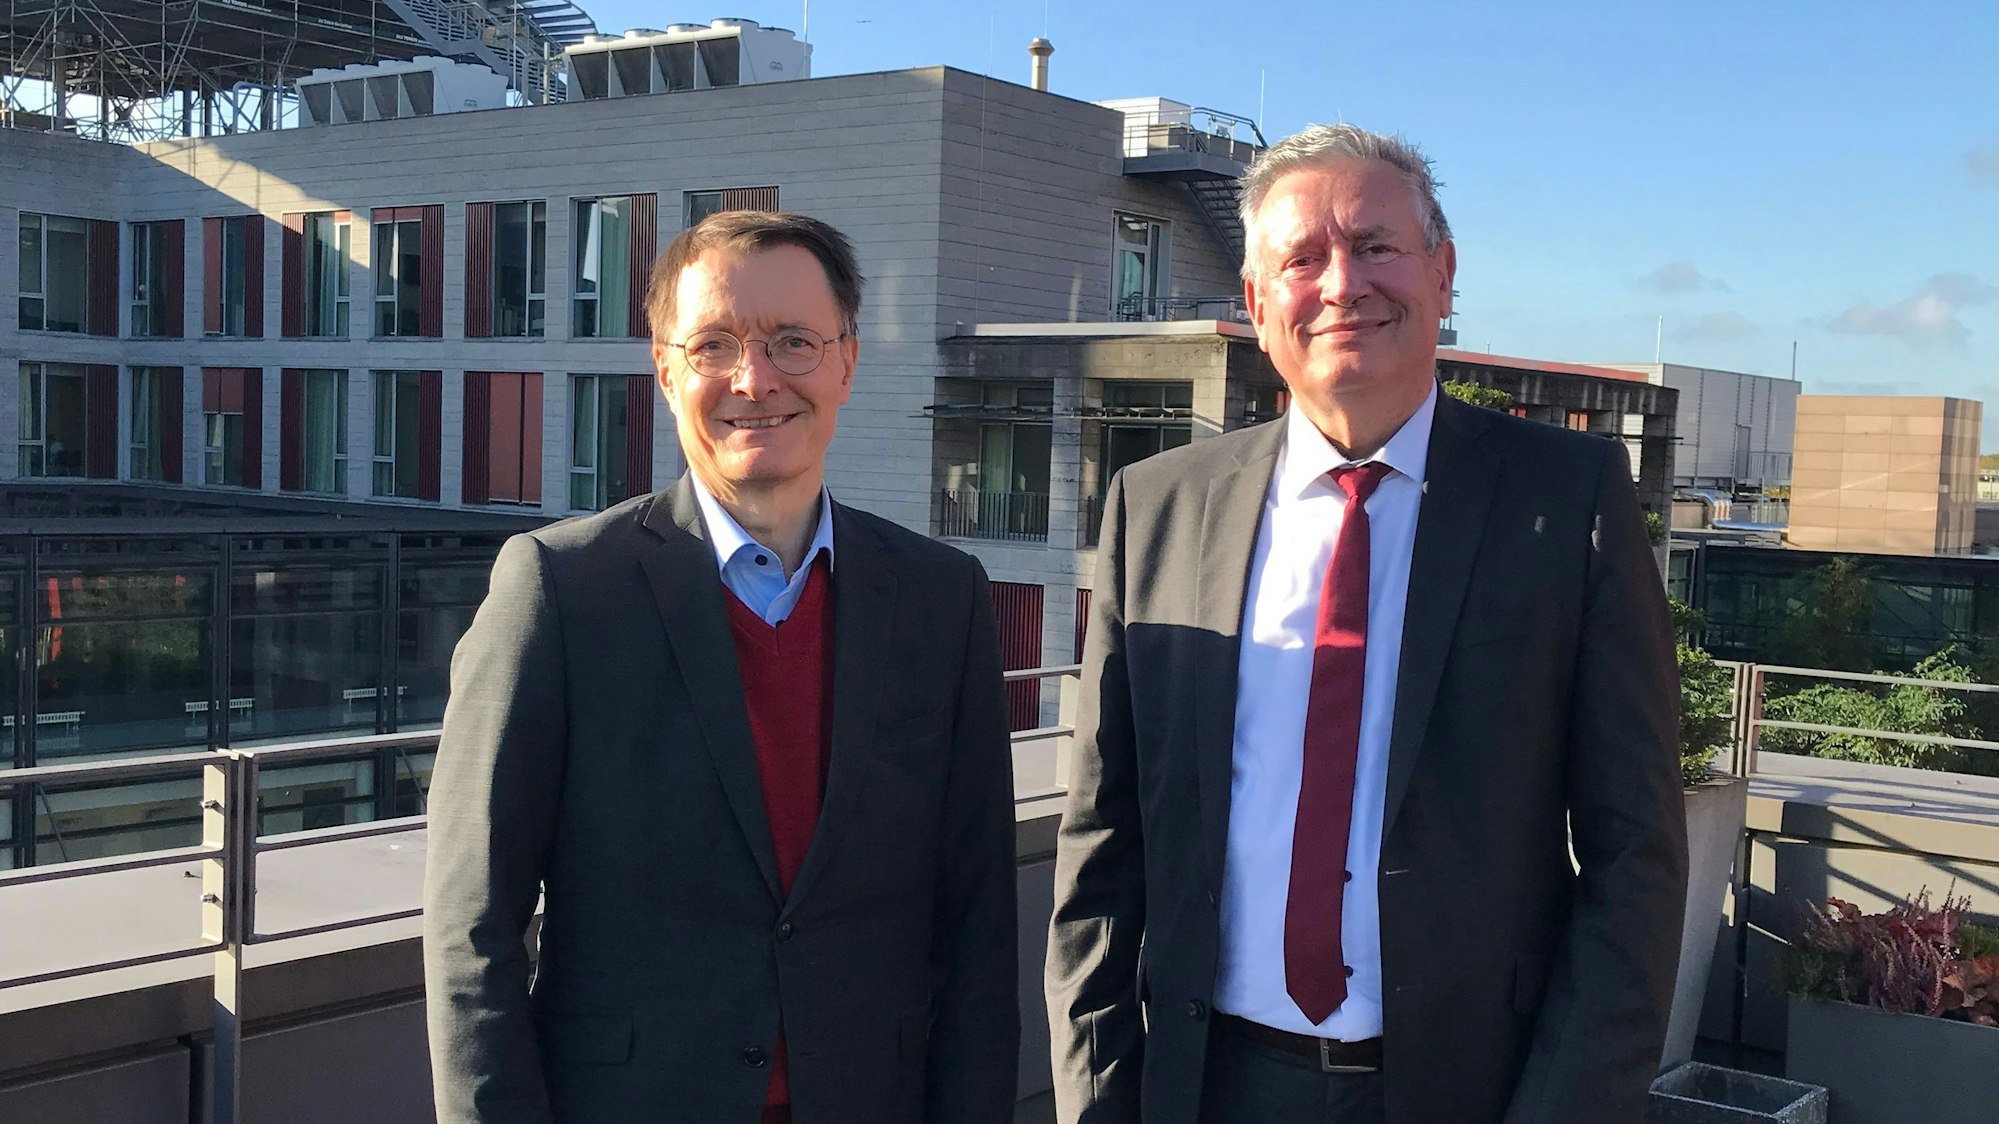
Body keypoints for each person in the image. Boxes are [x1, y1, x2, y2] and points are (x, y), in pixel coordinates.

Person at [1045, 125, 1687, 1124]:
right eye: (1302, 258)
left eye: (1376, 245)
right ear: (1258, 306)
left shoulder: (1568, 500)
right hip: (1213, 1083)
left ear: (1441, 274)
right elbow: (1100, 848)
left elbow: (1635, 853)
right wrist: (1095, 1099)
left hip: (1472, 1088)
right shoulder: (1156, 508)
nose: (1343, 283)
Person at [425, 211, 1020, 1124]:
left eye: (793, 341)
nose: (756, 379)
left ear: (847, 362)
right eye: (713, 345)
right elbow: (475, 927)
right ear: (666, 373)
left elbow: (979, 921)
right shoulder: (561, 589)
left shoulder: (943, 600)